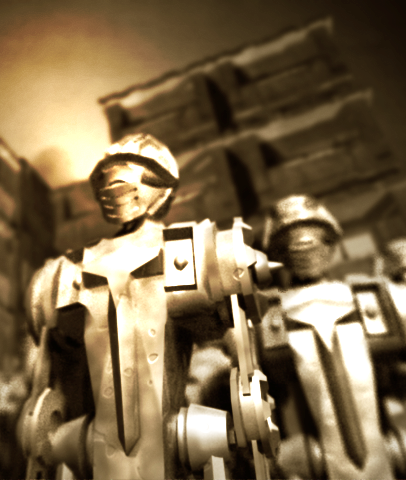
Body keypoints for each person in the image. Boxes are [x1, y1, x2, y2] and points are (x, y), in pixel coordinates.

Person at [17, 133, 280, 480]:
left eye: (130, 170)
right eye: (106, 176)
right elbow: (52, 374)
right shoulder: (65, 272)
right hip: (98, 448)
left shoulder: (193, 250)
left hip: (178, 441)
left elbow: (236, 336)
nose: (114, 183)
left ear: (163, 186)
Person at [260, 195, 406, 478]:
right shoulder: (268, 315)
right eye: (292, 239)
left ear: (329, 240)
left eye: (311, 235)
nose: (303, 245)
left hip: (399, 452)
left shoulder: (379, 298)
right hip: (313, 459)